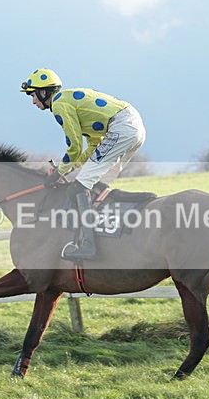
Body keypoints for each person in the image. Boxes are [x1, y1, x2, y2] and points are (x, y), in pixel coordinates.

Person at [20, 68, 146, 260]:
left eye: (33, 95)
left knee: (78, 188)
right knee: (98, 185)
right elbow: (92, 146)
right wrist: (67, 168)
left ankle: (88, 245)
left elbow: (74, 146)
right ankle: (113, 228)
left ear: (43, 92)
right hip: (132, 126)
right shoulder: (69, 101)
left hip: (122, 127)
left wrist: (59, 172)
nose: (33, 101)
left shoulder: (60, 104)